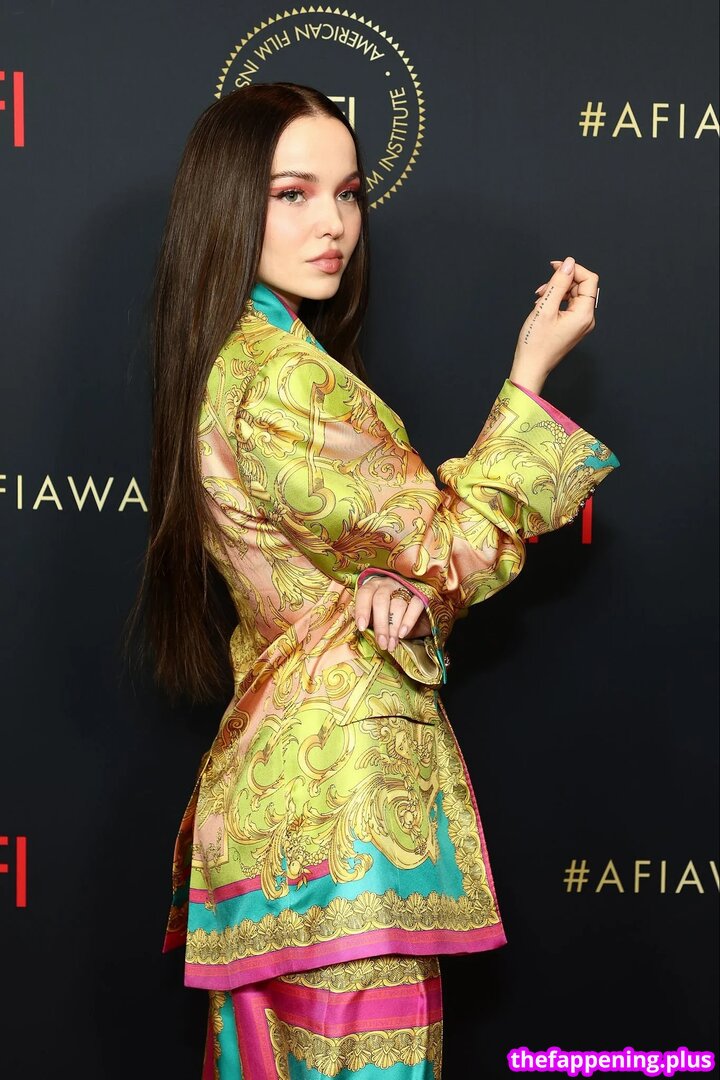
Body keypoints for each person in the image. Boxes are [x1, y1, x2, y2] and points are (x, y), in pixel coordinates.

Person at [129, 81, 619, 1078]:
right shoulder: (283, 376)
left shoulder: (231, 363)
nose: (334, 225)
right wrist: (530, 375)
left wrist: (391, 593)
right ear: (228, 203)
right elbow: (448, 547)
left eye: (348, 194)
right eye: (293, 194)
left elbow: (398, 575)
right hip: (346, 818)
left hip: (285, 821)